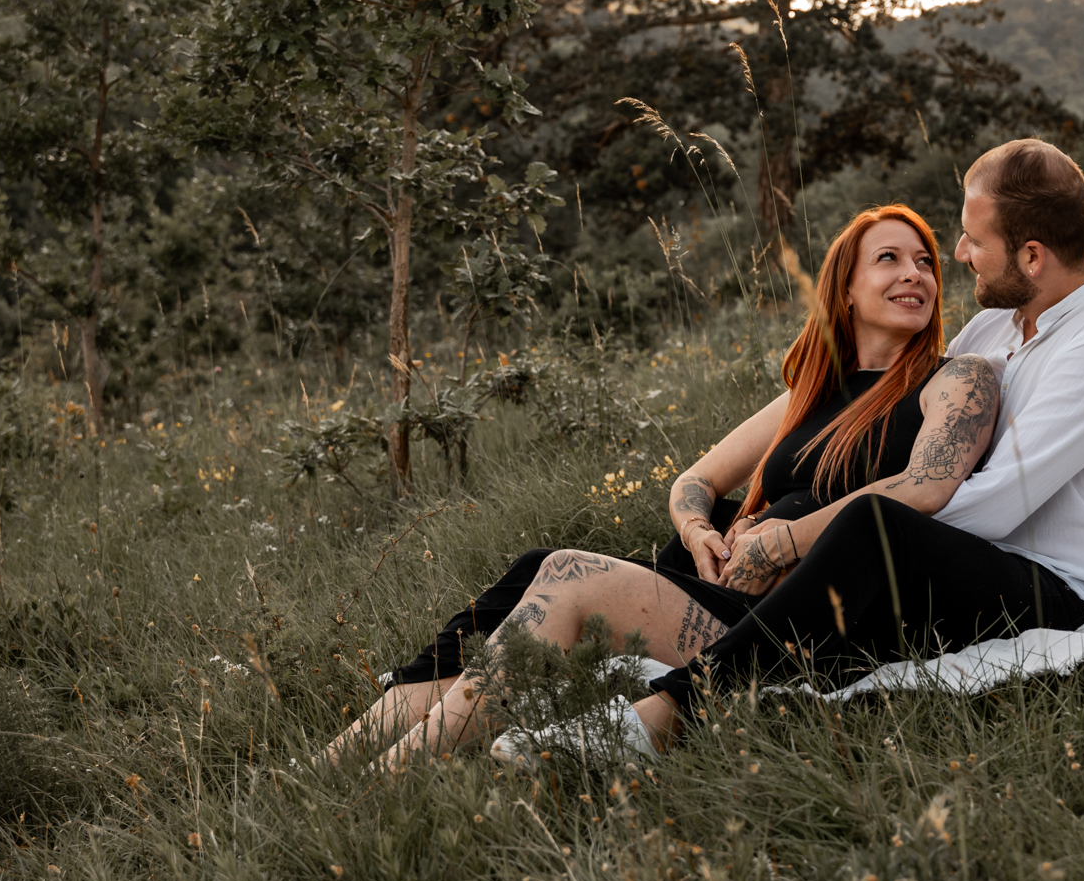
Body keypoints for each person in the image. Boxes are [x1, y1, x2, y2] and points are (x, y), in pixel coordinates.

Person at [496, 137, 1084, 763]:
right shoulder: (998, 322)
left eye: (974, 241)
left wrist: (802, 538)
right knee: (735, 535)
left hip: (1049, 586)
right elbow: (921, 420)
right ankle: (632, 638)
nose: (958, 253)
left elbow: (986, 505)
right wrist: (781, 518)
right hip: (966, 562)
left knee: (873, 529)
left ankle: (668, 713)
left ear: (1034, 257)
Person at [322, 204, 1001, 768]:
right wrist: (698, 528)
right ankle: (337, 760)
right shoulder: (809, 394)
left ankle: (396, 776)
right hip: (735, 593)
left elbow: (925, 485)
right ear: (845, 288)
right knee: (530, 570)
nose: (914, 275)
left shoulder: (955, 378)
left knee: (568, 572)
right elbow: (696, 480)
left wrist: (785, 540)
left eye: (925, 264)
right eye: (889, 259)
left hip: (804, 623)